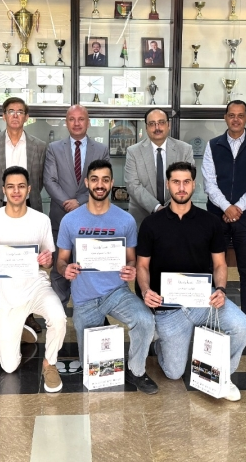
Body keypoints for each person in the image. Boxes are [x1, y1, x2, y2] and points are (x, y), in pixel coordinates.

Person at [136, 161, 246, 401]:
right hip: (168, 309)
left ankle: (223, 376)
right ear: (168, 184)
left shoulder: (210, 222)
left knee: (242, 326)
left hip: (203, 301)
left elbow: (220, 264)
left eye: (186, 182)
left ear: (194, 185)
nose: (181, 187)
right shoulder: (151, 224)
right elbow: (142, 266)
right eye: (176, 182)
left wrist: (221, 289)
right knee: (174, 373)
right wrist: (146, 290)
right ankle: (161, 342)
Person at [56, 159, 159, 394]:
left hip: (116, 292)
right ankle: (100, 325)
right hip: (84, 299)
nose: (100, 184)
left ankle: (136, 371)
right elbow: (61, 260)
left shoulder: (125, 220)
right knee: (92, 369)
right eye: (94, 179)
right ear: (87, 183)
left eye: (105, 180)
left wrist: (131, 269)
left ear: (112, 183)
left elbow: (131, 259)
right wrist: (65, 269)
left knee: (145, 320)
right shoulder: (70, 220)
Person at [0, 166, 67, 392]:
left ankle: (50, 363)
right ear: (3, 190)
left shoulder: (41, 220)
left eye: (21, 186)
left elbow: (47, 262)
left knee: (59, 317)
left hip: (36, 286)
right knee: (9, 367)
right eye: (11, 187)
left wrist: (47, 259)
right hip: (6, 294)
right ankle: (22, 328)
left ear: (29, 189)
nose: (16, 191)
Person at [201, 100, 246, 341]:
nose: (236, 119)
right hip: (216, 216)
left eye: (240, 115)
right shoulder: (213, 145)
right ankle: (208, 318)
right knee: (211, 268)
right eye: (232, 115)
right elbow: (209, 183)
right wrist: (226, 207)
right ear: (225, 117)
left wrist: (237, 208)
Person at [0, 97, 47, 336]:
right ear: (4, 115)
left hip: (30, 209)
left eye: (20, 112)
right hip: (0, 209)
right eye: (11, 111)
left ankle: (28, 315)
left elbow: (38, 180)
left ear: (27, 117)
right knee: (1, 265)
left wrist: (22, 197)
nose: (16, 115)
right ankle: (2, 316)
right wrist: (8, 197)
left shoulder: (39, 146)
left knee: (29, 264)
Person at [43, 104, 109, 306]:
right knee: (59, 268)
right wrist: (67, 203)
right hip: (60, 217)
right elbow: (49, 180)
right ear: (66, 122)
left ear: (88, 122)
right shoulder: (54, 148)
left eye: (81, 119)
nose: (77, 123)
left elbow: (103, 182)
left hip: (92, 219)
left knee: (91, 267)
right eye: (72, 119)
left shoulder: (101, 149)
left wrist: (79, 201)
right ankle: (58, 313)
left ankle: (93, 311)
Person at [124, 108, 194, 227]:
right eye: (152, 124)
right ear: (146, 127)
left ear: (168, 125)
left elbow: (189, 181)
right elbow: (132, 185)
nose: (157, 128)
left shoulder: (185, 149)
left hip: (178, 215)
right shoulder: (133, 152)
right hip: (142, 217)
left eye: (161, 122)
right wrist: (157, 207)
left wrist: (170, 208)